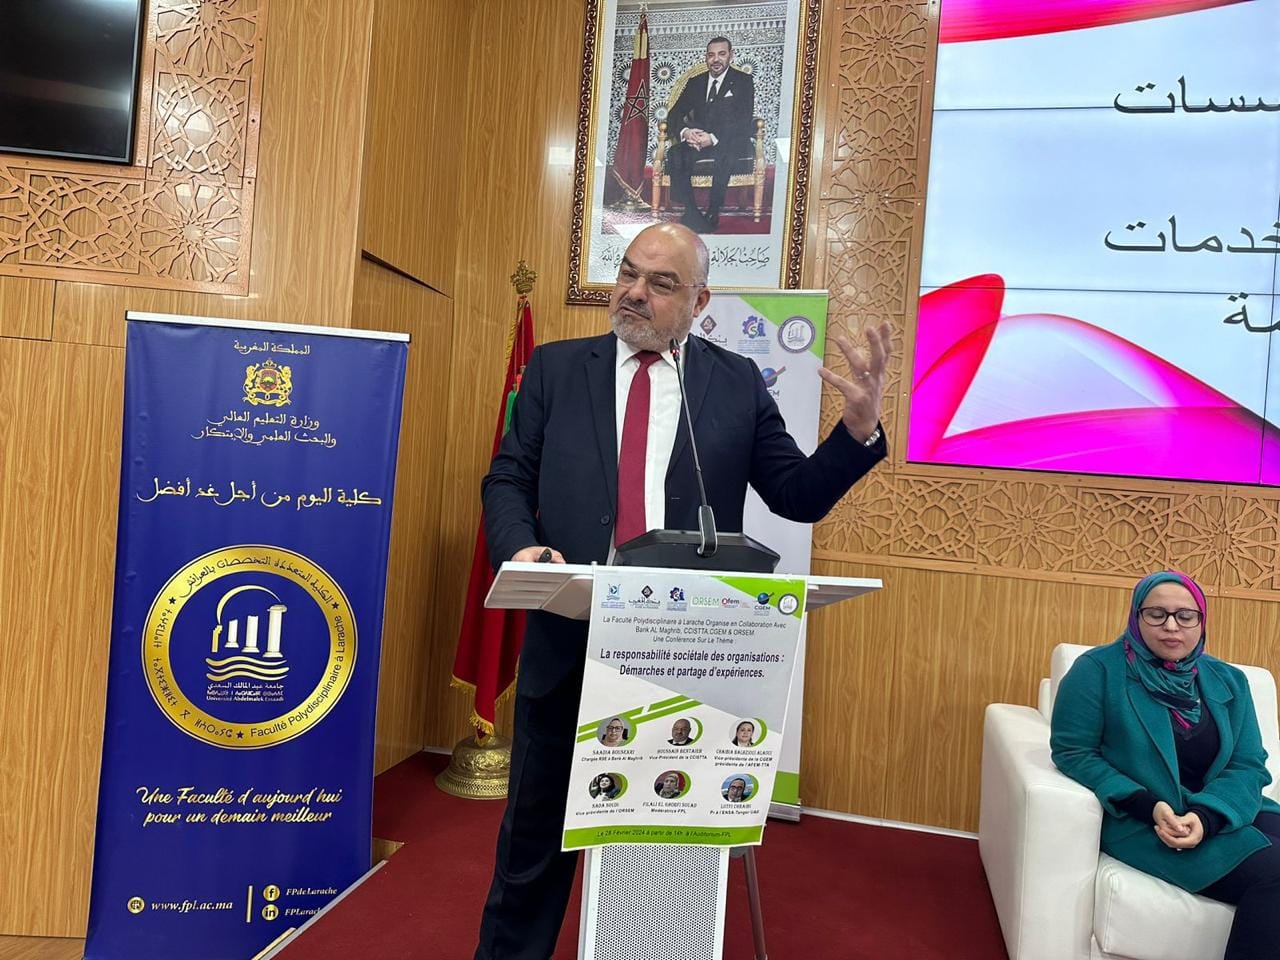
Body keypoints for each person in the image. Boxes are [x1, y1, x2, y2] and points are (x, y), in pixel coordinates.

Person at [475, 221, 890, 960]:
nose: (635, 292)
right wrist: (522, 545)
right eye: (628, 273)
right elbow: (509, 476)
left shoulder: (734, 382)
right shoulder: (556, 369)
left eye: (661, 283)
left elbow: (794, 494)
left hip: (681, 651)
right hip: (570, 634)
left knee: (661, 839)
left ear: (700, 302)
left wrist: (855, 434)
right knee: (534, 842)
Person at [1051, 570, 1280, 960]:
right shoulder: (1098, 671)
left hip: (1220, 809)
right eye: (1156, 614)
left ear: (1201, 620)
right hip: (1144, 820)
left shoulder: (1229, 680)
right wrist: (1146, 804)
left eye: (1185, 615)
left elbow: (1248, 763)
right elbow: (1073, 752)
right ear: (1136, 616)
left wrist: (1207, 816)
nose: (1171, 626)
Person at [664, 36, 755, 233]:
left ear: (731, 55)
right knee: (675, 153)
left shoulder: (743, 81)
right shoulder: (695, 82)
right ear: (706, 57)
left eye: (721, 54)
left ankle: (714, 209)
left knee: (726, 153)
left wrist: (712, 138)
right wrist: (687, 132)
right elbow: (674, 114)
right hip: (698, 140)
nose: (716, 59)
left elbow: (743, 119)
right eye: (711, 55)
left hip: (729, 139)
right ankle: (691, 211)